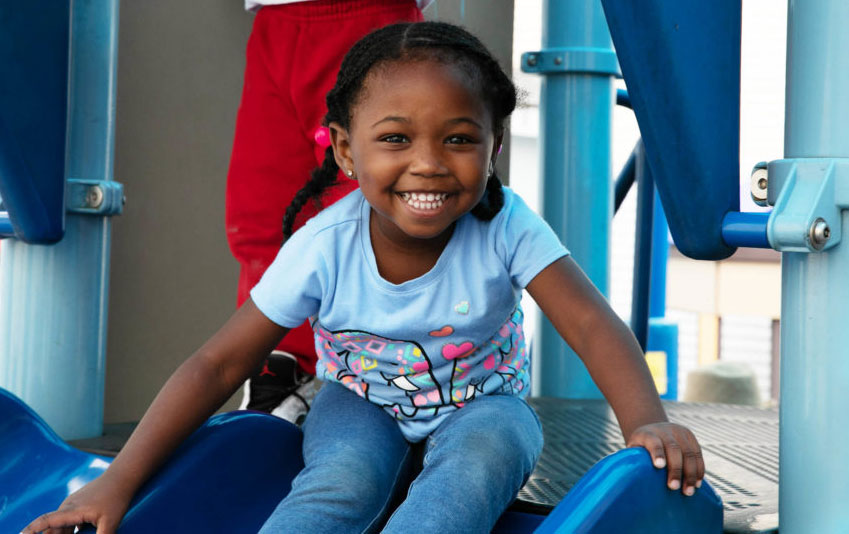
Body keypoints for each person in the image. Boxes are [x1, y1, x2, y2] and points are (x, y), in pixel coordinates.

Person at [23, 21, 705, 534]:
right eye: (396, 139)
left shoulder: (506, 223)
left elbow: (587, 322)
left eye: (459, 139)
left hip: (482, 405)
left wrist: (646, 422)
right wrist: (116, 483)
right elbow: (218, 362)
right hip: (360, 403)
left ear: (494, 146)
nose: (430, 164)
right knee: (337, 485)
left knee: (467, 474)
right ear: (346, 151)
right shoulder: (325, 244)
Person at [227, 0, 426, 420]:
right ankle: (285, 369)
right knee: (264, 213)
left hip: (365, 13)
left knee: (367, 206)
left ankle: (384, 376)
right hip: (275, 19)